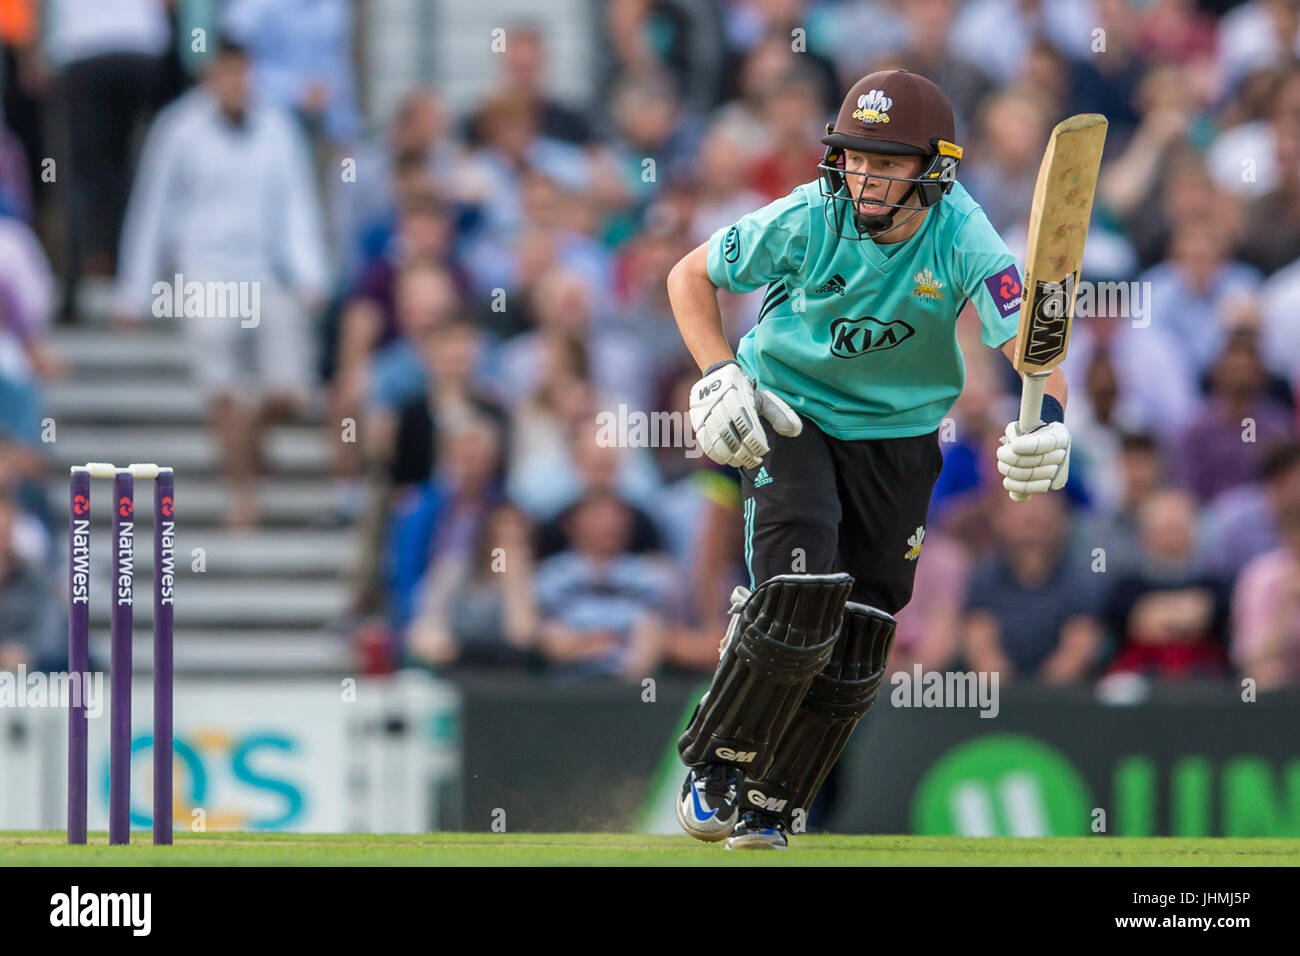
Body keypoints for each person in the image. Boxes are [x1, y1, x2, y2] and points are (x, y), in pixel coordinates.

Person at [666, 69, 1074, 849]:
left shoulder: (962, 234)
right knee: (798, 590)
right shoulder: (809, 216)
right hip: (790, 410)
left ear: (934, 168)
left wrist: (1048, 417)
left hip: (900, 436)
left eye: (886, 162)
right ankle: (715, 764)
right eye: (855, 156)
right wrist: (720, 373)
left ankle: (776, 796)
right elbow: (690, 275)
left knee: (861, 629)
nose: (863, 176)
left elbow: (1033, 345)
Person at [115, 37, 328, 527]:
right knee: (224, 391)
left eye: (242, 72)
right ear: (210, 75)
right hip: (202, 272)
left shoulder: (277, 126)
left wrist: (309, 272)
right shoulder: (177, 129)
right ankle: (242, 494)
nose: (236, 83)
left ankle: (250, 440)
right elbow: (154, 207)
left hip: (266, 271)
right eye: (226, 72)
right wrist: (136, 288)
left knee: (290, 390)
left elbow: (296, 205)